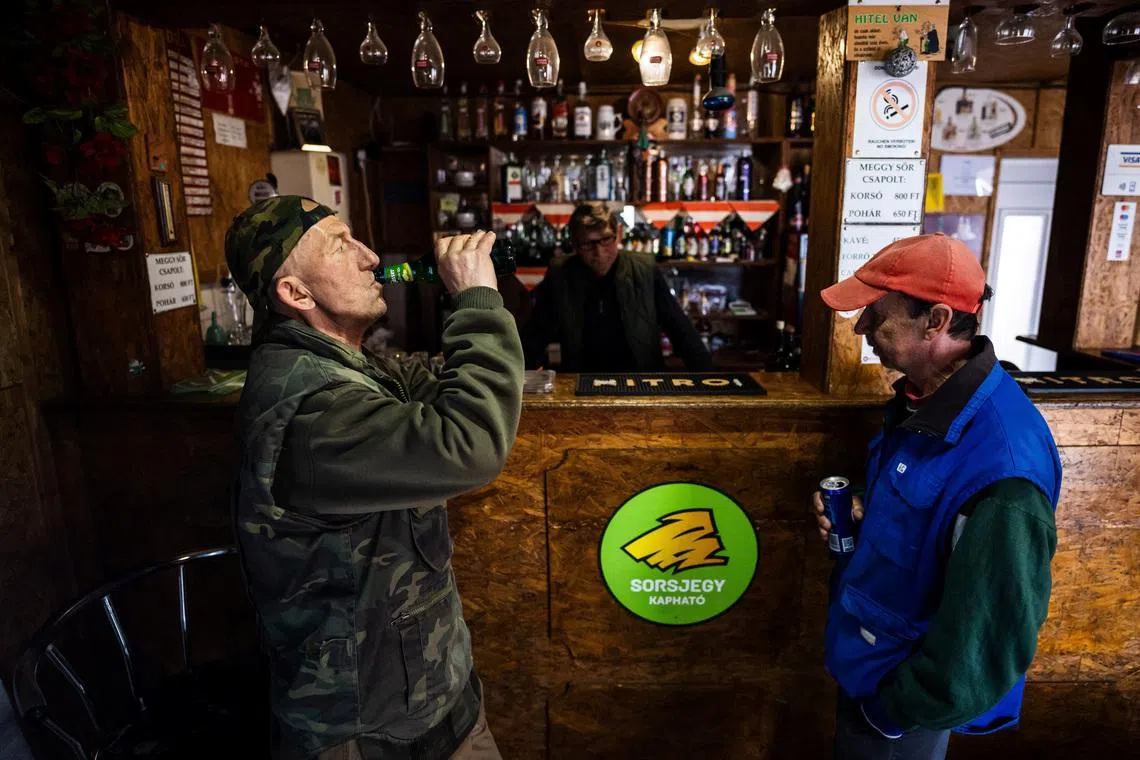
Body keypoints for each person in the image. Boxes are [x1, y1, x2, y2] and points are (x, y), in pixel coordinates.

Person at [225, 196, 522, 760]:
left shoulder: (341, 365)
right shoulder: (315, 414)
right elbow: (472, 443)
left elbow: (428, 388)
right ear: (296, 293)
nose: (370, 256)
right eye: (342, 246)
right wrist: (477, 302)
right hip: (367, 734)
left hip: (435, 701)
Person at [810, 233, 1061, 760]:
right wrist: (863, 504)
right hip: (868, 667)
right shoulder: (923, 400)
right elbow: (927, 506)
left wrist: (895, 711)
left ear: (937, 320)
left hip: (903, 708)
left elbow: (990, 638)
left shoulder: (1005, 471)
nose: (861, 329)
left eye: (877, 316)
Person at [520, 202, 713, 372]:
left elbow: (682, 332)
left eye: (606, 240)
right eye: (588, 244)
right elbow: (535, 336)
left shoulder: (644, 269)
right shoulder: (560, 273)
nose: (599, 252)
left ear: (618, 234)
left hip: (641, 381)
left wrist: (709, 387)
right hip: (581, 383)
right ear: (575, 244)